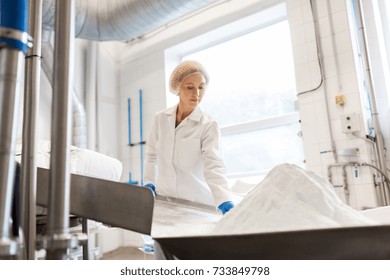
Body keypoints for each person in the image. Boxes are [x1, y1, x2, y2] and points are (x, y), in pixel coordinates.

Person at [143, 60, 235, 215]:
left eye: (201, 87)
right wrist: (149, 182)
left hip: (196, 205)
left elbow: (214, 165)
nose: (197, 94)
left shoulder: (208, 125)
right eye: (190, 87)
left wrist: (224, 198)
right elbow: (152, 155)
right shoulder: (161, 119)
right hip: (164, 202)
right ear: (178, 88)